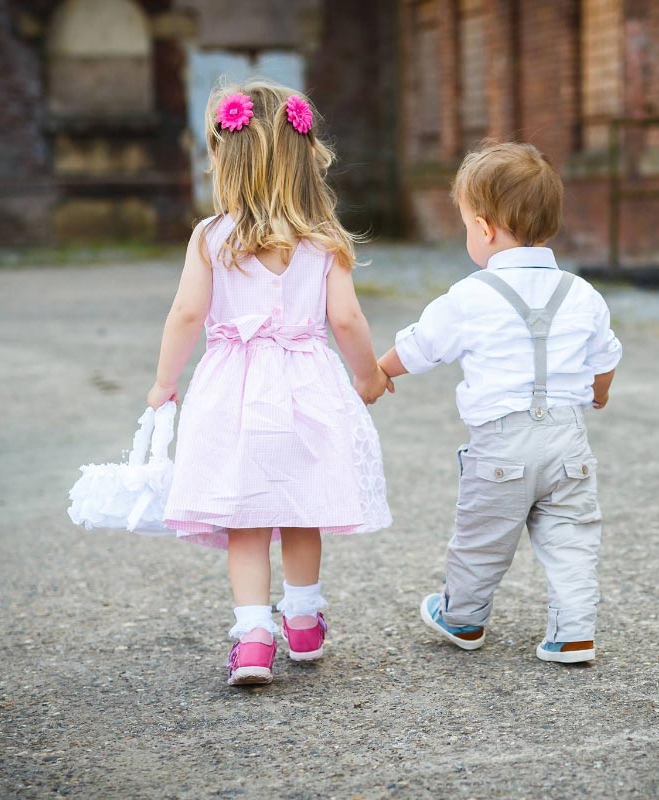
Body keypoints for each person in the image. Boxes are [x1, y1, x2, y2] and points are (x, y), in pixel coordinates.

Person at [146, 80, 392, 686]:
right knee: (302, 505)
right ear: (306, 160)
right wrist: (368, 375)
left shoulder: (211, 237)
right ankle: (303, 623)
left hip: (232, 391)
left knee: (246, 516)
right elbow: (346, 319)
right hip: (305, 386)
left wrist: (163, 384)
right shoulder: (323, 239)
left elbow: (185, 315)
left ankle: (254, 637)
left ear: (224, 159)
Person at [378, 141, 621, 664]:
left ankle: (463, 618)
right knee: (572, 538)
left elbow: (421, 345)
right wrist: (598, 394)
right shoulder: (582, 293)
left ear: (485, 229)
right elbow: (605, 357)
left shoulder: (470, 296)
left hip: (501, 448)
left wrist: (379, 371)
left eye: (466, 224)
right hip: (568, 442)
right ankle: (574, 632)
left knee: (482, 539)